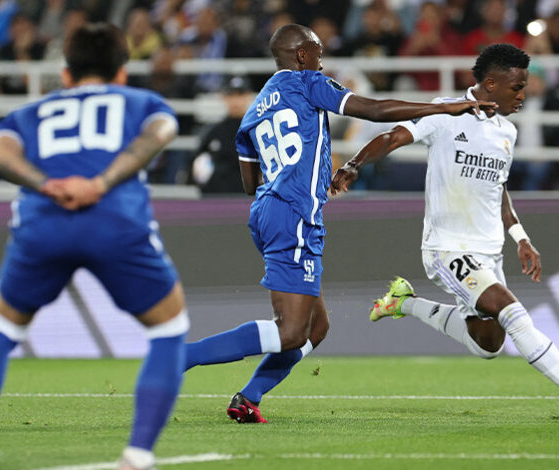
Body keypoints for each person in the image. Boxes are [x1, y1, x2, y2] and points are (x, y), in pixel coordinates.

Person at [180, 23, 494, 423]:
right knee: (291, 331)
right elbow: (375, 110)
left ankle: (249, 397)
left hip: (267, 211)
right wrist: (443, 107)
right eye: (316, 50)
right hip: (293, 215)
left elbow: (248, 182)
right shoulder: (307, 82)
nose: (321, 57)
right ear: (300, 56)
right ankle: (185, 356)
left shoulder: (256, 107)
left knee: (315, 328)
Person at [0, 23, 188, 470]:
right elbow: (161, 131)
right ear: (121, 73)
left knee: (2, 329)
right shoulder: (138, 100)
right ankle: (137, 458)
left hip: (42, 224)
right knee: (168, 328)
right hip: (114, 222)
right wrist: (101, 182)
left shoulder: (34, 111)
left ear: (65, 75)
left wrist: (46, 184)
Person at [330, 43, 559, 422]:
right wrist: (354, 164)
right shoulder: (445, 112)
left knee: (488, 345)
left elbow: (499, 191)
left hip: (489, 251)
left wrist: (521, 237)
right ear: (491, 84)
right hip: (447, 249)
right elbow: (393, 136)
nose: (522, 95)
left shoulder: (506, 132)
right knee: (513, 313)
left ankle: (405, 303)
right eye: (517, 88)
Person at [191, 75, 253, 192]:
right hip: (218, 200)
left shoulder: (259, 130)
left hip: (250, 200)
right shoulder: (213, 132)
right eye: (231, 95)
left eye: (240, 95)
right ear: (223, 97)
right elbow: (196, 166)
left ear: (248, 96)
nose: (235, 101)